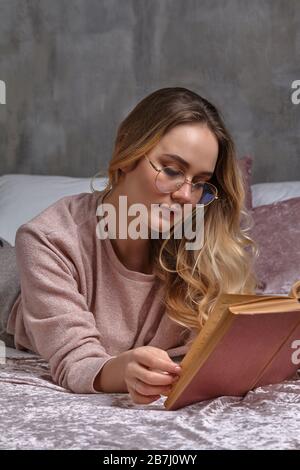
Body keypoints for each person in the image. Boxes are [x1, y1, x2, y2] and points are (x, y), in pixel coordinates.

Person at [2, 87, 258, 404]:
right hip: (14, 288)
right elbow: (76, 361)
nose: (184, 195)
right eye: (172, 170)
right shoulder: (49, 238)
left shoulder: (200, 247)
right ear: (127, 155)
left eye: (201, 182)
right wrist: (122, 372)